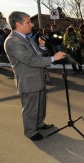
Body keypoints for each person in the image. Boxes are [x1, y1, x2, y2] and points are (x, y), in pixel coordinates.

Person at [4, 11, 66, 141]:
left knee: (40, 104)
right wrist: (53, 58)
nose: (31, 24)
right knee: (30, 108)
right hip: (28, 80)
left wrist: (42, 47)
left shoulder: (27, 38)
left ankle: (39, 124)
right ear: (18, 24)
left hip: (38, 77)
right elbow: (30, 60)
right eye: (28, 22)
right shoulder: (12, 41)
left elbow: (37, 55)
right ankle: (31, 132)